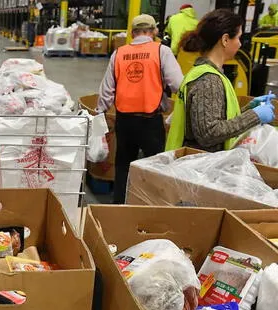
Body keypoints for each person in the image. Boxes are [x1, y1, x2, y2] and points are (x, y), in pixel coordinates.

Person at [97, 14, 183, 204]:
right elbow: (178, 84)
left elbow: (106, 89)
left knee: (123, 166)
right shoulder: (162, 51)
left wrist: (100, 112)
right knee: (155, 168)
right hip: (150, 121)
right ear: (154, 31)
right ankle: (150, 206)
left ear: (132, 33)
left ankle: (118, 207)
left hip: (124, 120)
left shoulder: (119, 53)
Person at [166, 9, 275, 153]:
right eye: (238, 38)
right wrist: (255, 116)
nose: (240, 44)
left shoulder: (205, 73)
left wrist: (249, 109)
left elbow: (211, 118)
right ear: (225, 40)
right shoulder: (208, 80)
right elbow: (209, 133)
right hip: (199, 167)